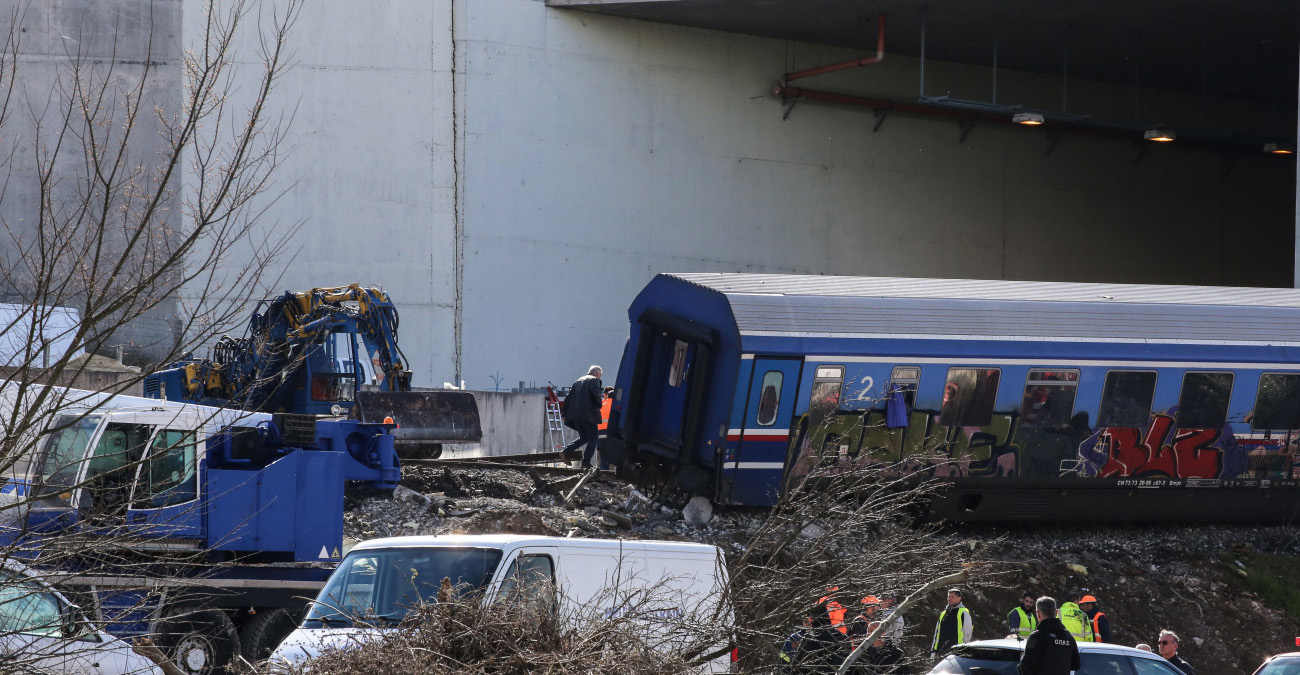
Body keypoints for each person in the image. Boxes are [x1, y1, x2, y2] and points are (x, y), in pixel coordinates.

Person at [1018, 596, 1080, 675]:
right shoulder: (1068, 637)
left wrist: (1023, 657)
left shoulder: (1037, 636)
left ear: (1038, 613)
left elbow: (1027, 666)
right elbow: (1076, 665)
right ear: (1056, 612)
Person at [561, 365, 604, 468]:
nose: (600, 377)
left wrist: (564, 414)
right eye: (600, 375)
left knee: (584, 437)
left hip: (575, 416)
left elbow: (567, 399)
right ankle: (586, 463)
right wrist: (599, 404)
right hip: (588, 415)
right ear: (597, 373)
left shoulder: (577, 381)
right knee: (593, 438)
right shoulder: (594, 380)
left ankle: (566, 452)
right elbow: (596, 395)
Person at [930, 588, 972, 658]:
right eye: (948, 597)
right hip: (941, 652)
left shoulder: (963, 613)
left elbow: (967, 633)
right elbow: (937, 633)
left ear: (959, 598)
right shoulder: (943, 613)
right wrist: (933, 651)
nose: (949, 599)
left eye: (952, 597)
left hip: (957, 651)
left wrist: (964, 650)